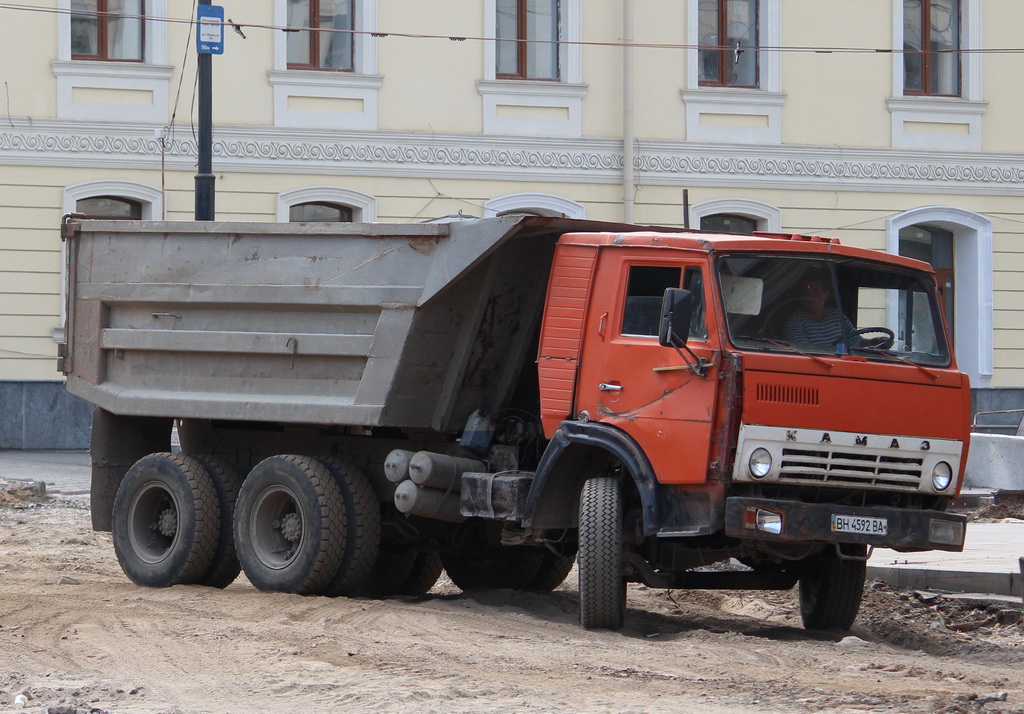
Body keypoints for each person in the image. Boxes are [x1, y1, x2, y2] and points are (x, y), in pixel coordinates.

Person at [783, 275, 862, 348]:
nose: (810, 296)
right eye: (805, 293)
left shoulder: (837, 315)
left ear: (826, 295)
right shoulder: (796, 321)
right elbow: (804, 351)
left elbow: (857, 341)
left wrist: (873, 342)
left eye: (815, 292)